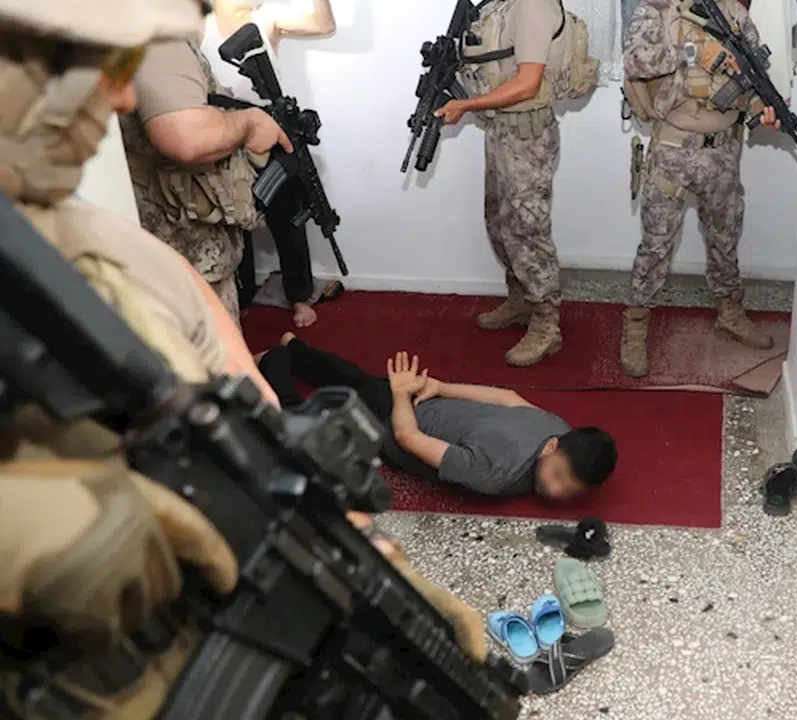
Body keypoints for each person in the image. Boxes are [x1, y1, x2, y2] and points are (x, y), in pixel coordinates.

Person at [0, 2, 484, 715]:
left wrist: (345, 536)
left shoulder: (89, 234)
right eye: (97, 63)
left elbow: (232, 378)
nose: (124, 99)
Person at [618, 0, 784, 377]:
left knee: (725, 236)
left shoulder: (736, 15)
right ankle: (636, 325)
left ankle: (730, 312)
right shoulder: (658, 10)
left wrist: (763, 108)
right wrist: (693, 51)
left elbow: (750, 77)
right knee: (657, 243)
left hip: (723, 150)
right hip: (673, 148)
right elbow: (635, 62)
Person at [258, 334, 619, 500]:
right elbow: (407, 438)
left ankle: (294, 349)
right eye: (557, 476)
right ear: (552, 446)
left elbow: (508, 398)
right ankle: (275, 360)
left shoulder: (558, 428)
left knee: (360, 381)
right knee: (300, 427)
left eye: (570, 490)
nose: (556, 491)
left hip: (421, 402)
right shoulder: (494, 473)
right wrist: (405, 394)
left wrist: (440, 388)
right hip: (391, 426)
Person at [436, 0, 599, 367]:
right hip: (500, 129)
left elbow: (527, 84)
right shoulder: (499, 6)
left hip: (527, 136)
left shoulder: (532, 6)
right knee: (499, 222)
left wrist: (467, 105)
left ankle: (546, 324)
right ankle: (521, 299)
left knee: (527, 230)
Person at [119, 10, 293, 320]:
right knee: (213, 345)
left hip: (167, 245)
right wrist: (248, 123)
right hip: (184, 246)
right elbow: (186, 136)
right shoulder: (160, 25)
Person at [203, 0, 339, 328]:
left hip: (270, 130)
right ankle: (242, 295)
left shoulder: (265, 18)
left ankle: (299, 295)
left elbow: (324, 24)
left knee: (289, 217)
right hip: (221, 132)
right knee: (234, 221)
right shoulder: (198, 26)